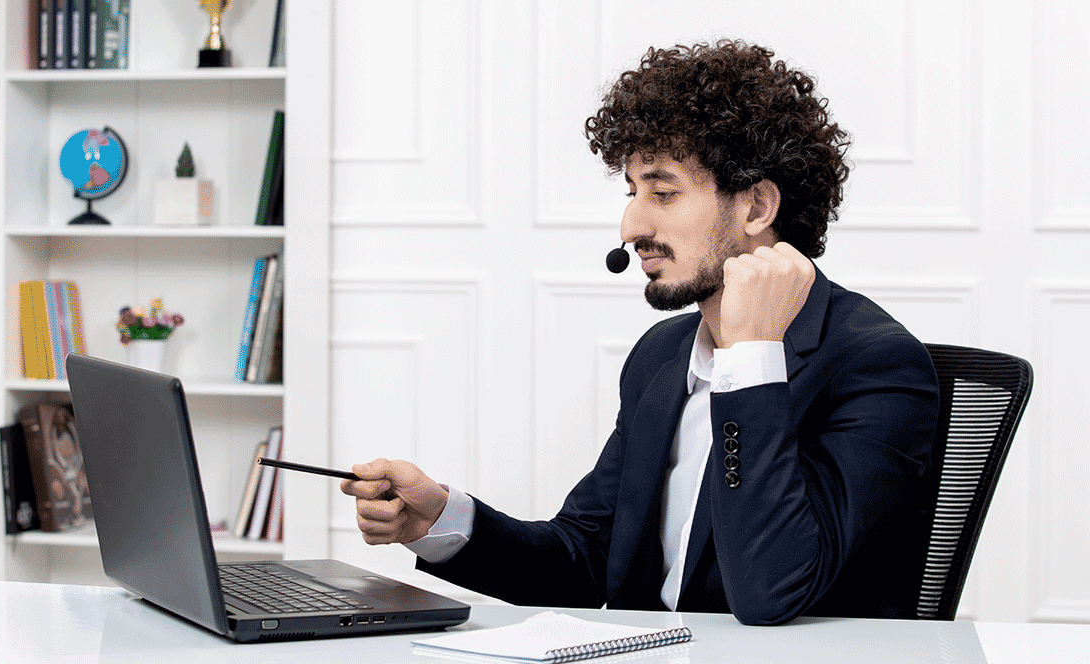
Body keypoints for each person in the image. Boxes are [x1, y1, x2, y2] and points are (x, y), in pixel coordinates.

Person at [340, 40, 939, 626]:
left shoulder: (877, 365)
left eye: (663, 192)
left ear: (756, 206)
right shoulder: (663, 355)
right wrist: (441, 522)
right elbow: (584, 560)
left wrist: (753, 356)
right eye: (632, 192)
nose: (630, 225)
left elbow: (772, 593)